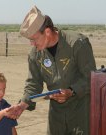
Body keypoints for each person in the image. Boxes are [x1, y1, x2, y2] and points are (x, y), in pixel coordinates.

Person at [10, 6, 96, 135]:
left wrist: (71, 91)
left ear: (48, 32)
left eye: (34, 39)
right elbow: (33, 85)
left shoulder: (77, 43)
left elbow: (91, 78)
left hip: (82, 113)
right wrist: (21, 106)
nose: (32, 44)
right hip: (56, 116)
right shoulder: (35, 55)